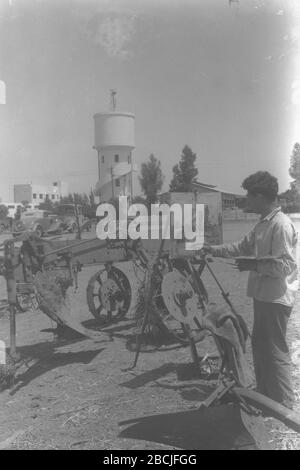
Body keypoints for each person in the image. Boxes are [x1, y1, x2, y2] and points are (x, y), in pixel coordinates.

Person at [203, 171, 298, 409]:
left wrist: (252, 264)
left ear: (260, 196)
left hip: (275, 298)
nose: (247, 200)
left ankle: (284, 402)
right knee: (262, 347)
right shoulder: (263, 224)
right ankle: (268, 396)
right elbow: (241, 246)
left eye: (249, 196)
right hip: (264, 295)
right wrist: (213, 250)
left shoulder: (281, 225)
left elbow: (287, 265)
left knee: (274, 349)